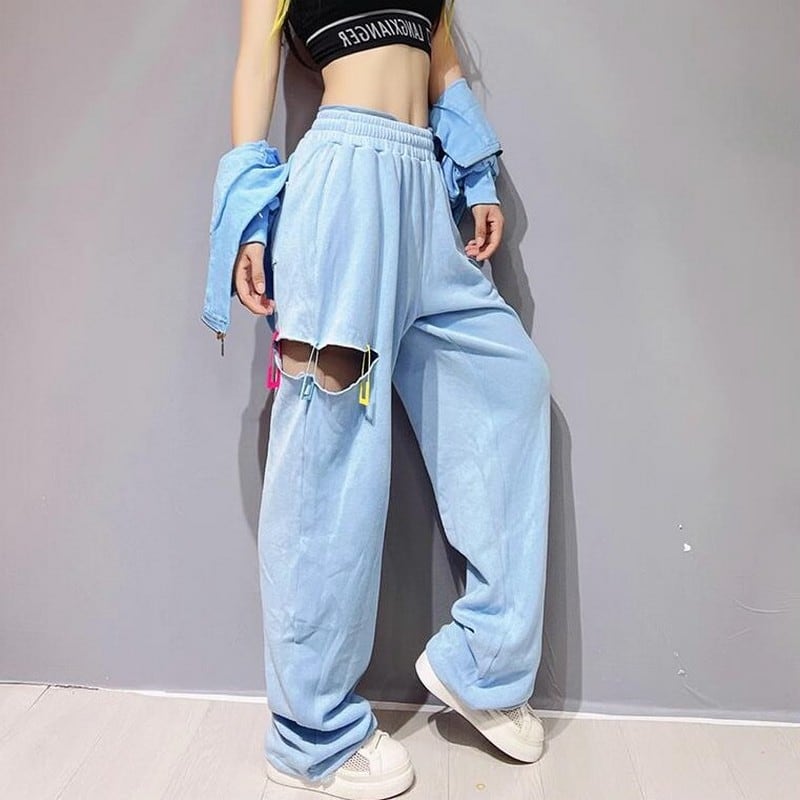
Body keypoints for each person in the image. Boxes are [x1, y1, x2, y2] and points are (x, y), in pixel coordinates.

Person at [210, 1, 552, 797]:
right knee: (328, 444)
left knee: (511, 385)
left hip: (424, 185)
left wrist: (475, 172)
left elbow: (442, 62)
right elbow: (255, 64)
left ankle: (484, 664)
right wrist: (249, 218)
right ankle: (310, 733)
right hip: (343, 182)